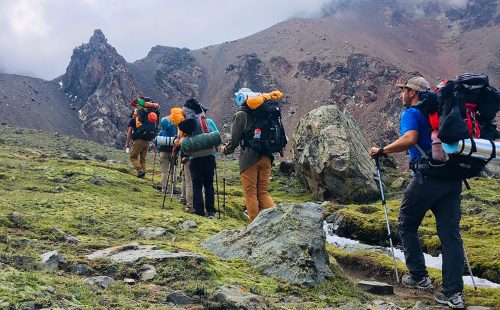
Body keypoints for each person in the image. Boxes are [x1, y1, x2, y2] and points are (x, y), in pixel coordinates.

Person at [369, 76, 465, 309]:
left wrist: (382, 150)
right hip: (452, 178)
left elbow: (409, 139)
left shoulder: (412, 113)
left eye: (403, 91)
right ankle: (453, 293)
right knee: (450, 233)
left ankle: (419, 277)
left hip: (426, 179)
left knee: (406, 223)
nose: (401, 94)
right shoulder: (442, 113)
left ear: (412, 93)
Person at [220, 98, 276, 222]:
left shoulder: (241, 115)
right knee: (263, 193)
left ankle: (254, 226)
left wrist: (225, 149)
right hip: (266, 156)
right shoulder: (266, 113)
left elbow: (234, 141)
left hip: (249, 158)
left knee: (250, 194)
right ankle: (276, 222)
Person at [177, 99, 218, 219]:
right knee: (209, 184)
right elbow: (215, 136)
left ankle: (199, 211)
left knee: (196, 185)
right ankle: (211, 212)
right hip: (210, 157)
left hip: (195, 158)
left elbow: (183, 142)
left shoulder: (188, 123)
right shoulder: (208, 121)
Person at [125, 109, 151, 178]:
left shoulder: (133, 120)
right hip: (147, 140)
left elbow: (129, 132)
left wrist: (127, 143)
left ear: (134, 113)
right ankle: (143, 175)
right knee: (143, 159)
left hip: (139, 140)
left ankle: (140, 171)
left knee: (133, 157)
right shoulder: (146, 119)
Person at [156, 116, 179, 193]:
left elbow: (157, 140)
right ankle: (174, 188)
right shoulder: (175, 128)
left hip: (163, 153)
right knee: (173, 170)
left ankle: (164, 188)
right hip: (173, 152)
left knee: (164, 171)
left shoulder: (163, 130)